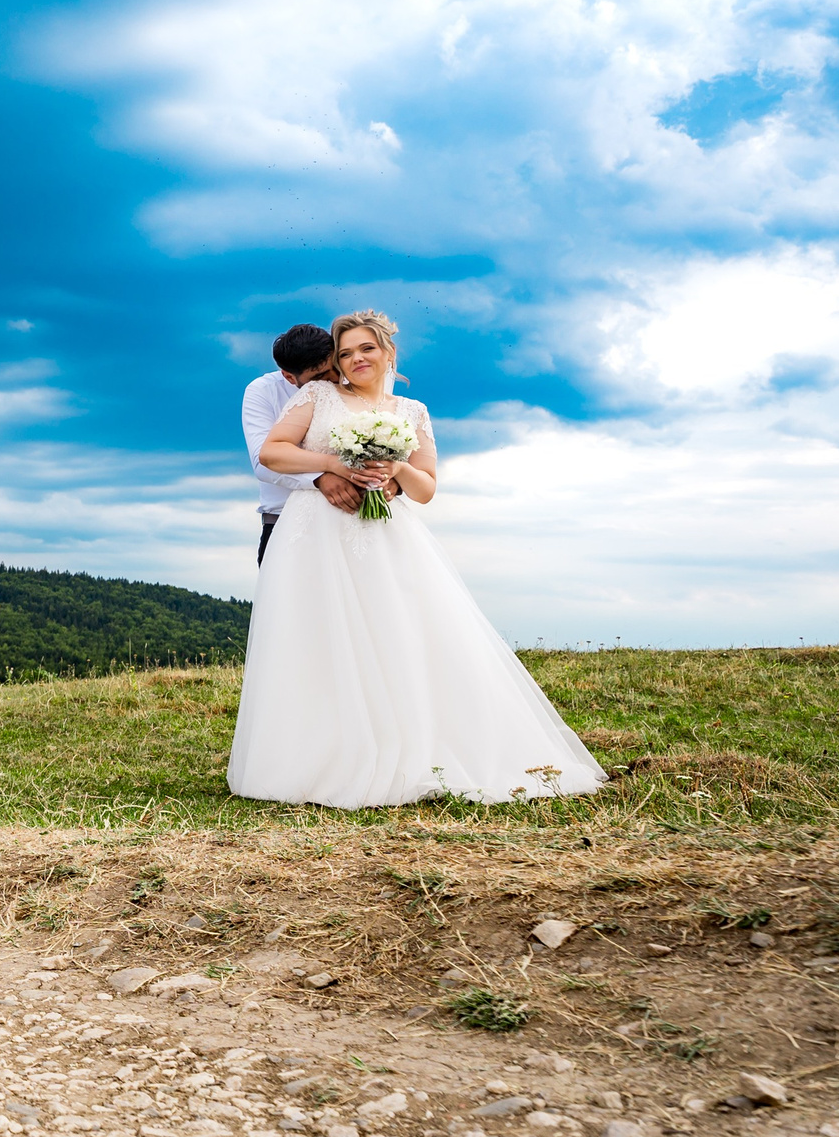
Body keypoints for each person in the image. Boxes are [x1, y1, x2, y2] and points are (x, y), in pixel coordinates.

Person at [228, 308, 603, 809]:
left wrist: (397, 465)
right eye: (345, 353)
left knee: (397, 634)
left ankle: (408, 747)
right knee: (317, 637)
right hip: (314, 533)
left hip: (385, 535)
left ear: (388, 353)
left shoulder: (413, 412)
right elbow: (272, 452)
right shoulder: (317, 395)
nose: (356, 358)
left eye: (366, 348)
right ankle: (319, 755)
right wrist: (333, 462)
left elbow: (425, 491)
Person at [241, 324, 363, 562]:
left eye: (333, 369)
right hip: (285, 522)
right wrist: (319, 478)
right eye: (318, 377)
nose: (332, 380)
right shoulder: (262, 392)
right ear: (288, 376)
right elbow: (262, 463)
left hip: (352, 523)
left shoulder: (354, 382)